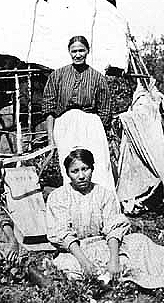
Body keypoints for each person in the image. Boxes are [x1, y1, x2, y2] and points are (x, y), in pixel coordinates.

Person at [46, 148, 164, 288]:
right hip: (77, 251)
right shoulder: (58, 197)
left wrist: (114, 260)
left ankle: (111, 274)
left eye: (85, 169)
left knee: (140, 242)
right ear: (67, 174)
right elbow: (63, 235)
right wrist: (85, 263)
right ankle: (114, 277)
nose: (81, 176)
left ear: (92, 169)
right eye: (75, 171)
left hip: (105, 246)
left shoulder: (104, 194)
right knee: (67, 266)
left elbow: (114, 228)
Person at [42, 35, 115, 193]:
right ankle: (73, 206)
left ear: (88, 51)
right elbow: (49, 107)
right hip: (64, 126)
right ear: (69, 52)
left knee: (97, 166)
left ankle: (101, 203)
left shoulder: (97, 78)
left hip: (90, 125)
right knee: (70, 165)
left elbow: (105, 109)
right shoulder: (57, 76)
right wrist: (51, 137)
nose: (78, 54)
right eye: (74, 51)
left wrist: (94, 129)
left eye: (81, 50)